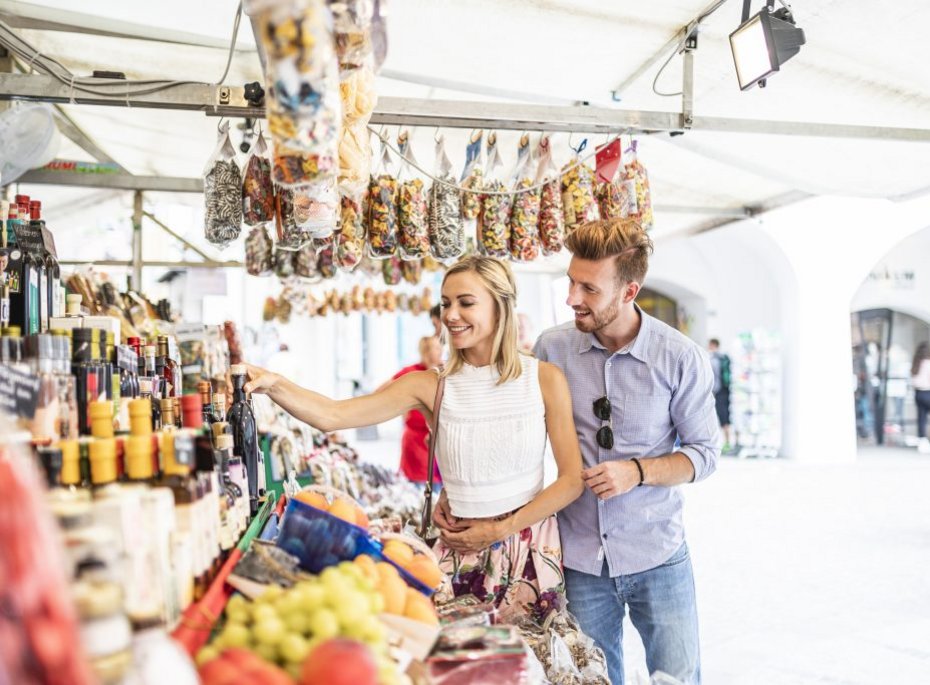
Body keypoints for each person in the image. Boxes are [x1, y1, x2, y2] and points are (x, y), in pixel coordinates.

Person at [243, 255, 584, 623]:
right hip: (460, 549)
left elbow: (571, 480)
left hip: (527, 550)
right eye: (446, 303)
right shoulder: (430, 385)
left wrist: (500, 529)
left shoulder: (545, 379)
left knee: (533, 670)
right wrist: (274, 383)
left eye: (466, 303)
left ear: (501, 307)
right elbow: (334, 415)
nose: (450, 315)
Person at [534, 218, 719, 685]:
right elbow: (526, 435)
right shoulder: (551, 349)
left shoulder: (680, 358)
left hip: (658, 552)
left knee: (677, 679)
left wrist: (637, 472)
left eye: (589, 289)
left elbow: (703, 454)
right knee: (591, 679)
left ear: (629, 291)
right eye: (572, 283)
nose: (572, 298)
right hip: (578, 560)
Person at [375, 336, 443, 484]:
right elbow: (380, 392)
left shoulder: (445, 372)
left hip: (439, 447)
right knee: (418, 491)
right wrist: (401, 408)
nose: (438, 352)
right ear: (425, 351)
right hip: (416, 446)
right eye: (434, 348)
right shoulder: (412, 372)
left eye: (439, 348)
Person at [707, 338, 733, 453]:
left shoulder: (713, 359)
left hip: (717, 392)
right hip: (725, 391)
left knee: (719, 417)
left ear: (713, 345)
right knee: (725, 418)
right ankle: (727, 442)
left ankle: (724, 443)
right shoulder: (723, 357)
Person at [911, 342, 930, 453]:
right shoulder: (928, 363)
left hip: (918, 393)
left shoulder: (916, 363)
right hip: (928, 392)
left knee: (921, 418)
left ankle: (922, 442)